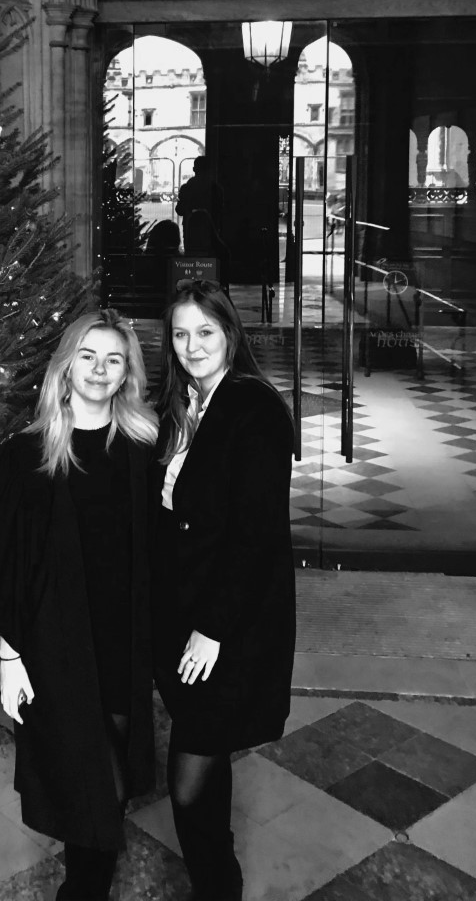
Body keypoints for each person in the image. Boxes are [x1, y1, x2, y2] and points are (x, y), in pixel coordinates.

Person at [0, 309, 159, 900]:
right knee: (94, 790)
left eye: (114, 359)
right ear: (66, 366)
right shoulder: (27, 458)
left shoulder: (143, 448)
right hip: (56, 652)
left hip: (123, 648)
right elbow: (4, 567)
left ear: (127, 372)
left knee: (108, 788)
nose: (99, 369)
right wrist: (11, 658)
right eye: (88, 355)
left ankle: (82, 888)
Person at [151, 279, 296, 901]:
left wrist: (211, 629)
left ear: (230, 333)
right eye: (181, 334)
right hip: (178, 615)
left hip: (223, 628)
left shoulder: (253, 407)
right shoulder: (184, 404)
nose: (192, 345)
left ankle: (219, 887)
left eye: (205, 332)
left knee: (186, 781)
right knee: (206, 768)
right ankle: (217, 883)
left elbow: (254, 536)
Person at [175, 156, 224, 254]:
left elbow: (179, 210)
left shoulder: (187, 187)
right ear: (210, 169)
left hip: (190, 232)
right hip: (211, 232)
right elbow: (220, 212)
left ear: (194, 169)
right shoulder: (215, 189)